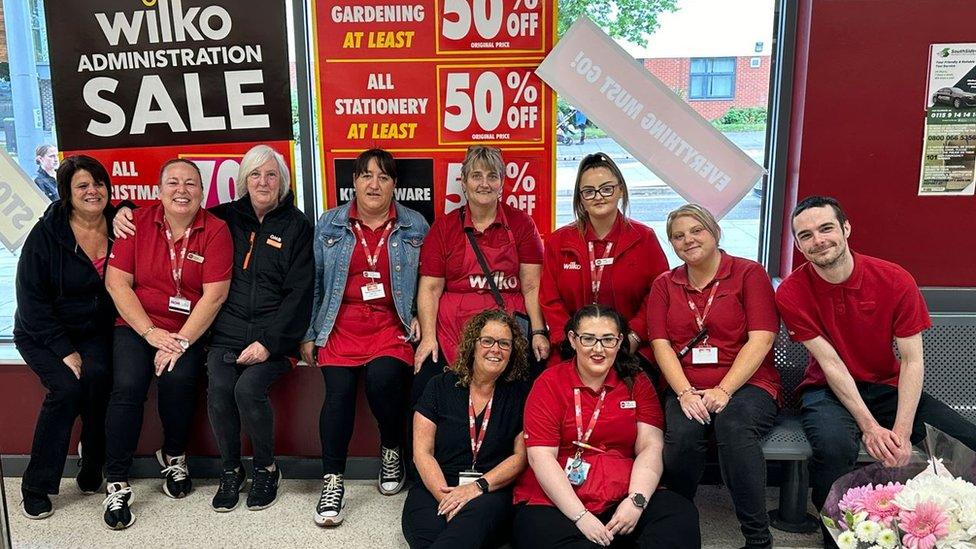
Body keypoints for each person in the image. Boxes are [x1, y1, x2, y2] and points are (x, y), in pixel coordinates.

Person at [112, 145, 313, 512]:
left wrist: (268, 343)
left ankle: (267, 468)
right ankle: (231, 470)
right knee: (220, 389)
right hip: (227, 335)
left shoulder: (298, 226)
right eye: (255, 174)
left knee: (248, 389)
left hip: (273, 340)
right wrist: (118, 212)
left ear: (283, 181)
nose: (263, 181)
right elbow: (178, 211)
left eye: (271, 175)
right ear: (243, 182)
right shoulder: (224, 219)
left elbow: (300, 294)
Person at [775, 195, 976, 547]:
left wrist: (899, 429)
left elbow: (912, 360)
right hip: (826, 389)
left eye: (825, 228)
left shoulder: (894, 279)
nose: (817, 240)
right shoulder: (792, 291)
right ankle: (835, 538)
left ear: (846, 228)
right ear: (797, 244)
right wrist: (869, 427)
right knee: (835, 447)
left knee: (966, 438)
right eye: (805, 235)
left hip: (886, 384)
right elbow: (831, 363)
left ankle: (960, 526)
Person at [301, 148, 429, 527]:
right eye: (366, 175)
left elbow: (428, 281)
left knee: (383, 379)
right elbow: (317, 285)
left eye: (384, 177)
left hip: (391, 325)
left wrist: (422, 316)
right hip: (340, 325)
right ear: (353, 181)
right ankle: (333, 479)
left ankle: (391, 448)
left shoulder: (415, 226)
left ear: (395, 185)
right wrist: (310, 334)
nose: (374, 184)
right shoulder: (329, 224)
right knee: (338, 393)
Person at [101, 159, 232, 529]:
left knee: (179, 381)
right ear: (159, 190)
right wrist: (149, 333)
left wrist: (177, 342)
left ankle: (174, 456)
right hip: (135, 326)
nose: (182, 190)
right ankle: (117, 481)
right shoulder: (135, 223)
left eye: (191, 183)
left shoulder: (216, 230)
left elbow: (215, 296)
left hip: (185, 330)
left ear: (201, 192)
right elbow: (117, 284)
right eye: (173, 182)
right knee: (127, 386)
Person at [648, 204, 781, 549]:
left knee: (733, 427)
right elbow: (660, 344)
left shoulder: (749, 273)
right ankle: (677, 521)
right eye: (678, 236)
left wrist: (725, 389)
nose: (688, 240)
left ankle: (758, 537)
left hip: (747, 384)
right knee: (681, 435)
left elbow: (762, 338)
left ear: (715, 232)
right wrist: (684, 393)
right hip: (686, 384)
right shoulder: (665, 284)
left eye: (696, 230)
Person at [512, 304, 700, 548]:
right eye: (588, 339)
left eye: (608, 340)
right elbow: (541, 457)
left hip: (621, 491)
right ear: (573, 339)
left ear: (620, 340)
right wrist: (580, 516)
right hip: (557, 498)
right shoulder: (548, 383)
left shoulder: (637, 381)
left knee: (680, 516)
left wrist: (636, 501)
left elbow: (650, 447)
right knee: (536, 532)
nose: (598, 349)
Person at [14, 156, 117, 519]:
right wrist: (63, 350)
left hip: (93, 332)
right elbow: (31, 302)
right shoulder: (46, 234)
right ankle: (36, 484)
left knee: (100, 379)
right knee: (67, 389)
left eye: (98, 183)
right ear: (67, 194)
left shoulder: (119, 223)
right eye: (82, 186)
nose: (93, 191)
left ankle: (92, 463)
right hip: (41, 332)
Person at [415, 145, 547, 402]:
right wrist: (429, 338)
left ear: (501, 183)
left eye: (492, 176)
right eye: (476, 176)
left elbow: (532, 286)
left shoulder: (521, 224)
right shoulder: (443, 228)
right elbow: (430, 289)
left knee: (528, 388)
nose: (484, 184)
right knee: (424, 385)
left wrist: (539, 333)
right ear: (463, 182)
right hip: (453, 330)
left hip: (508, 327)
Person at [402, 310, 530, 548]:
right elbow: (422, 452)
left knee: (462, 534)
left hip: (490, 490)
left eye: (504, 343)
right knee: (427, 536)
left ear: (513, 351)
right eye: (487, 341)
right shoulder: (439, 386)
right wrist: (448, 499)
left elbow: (521, 457)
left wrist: (476, 487)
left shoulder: (520, 394)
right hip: (436, 486)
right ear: (473, 344)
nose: (496, 349)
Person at [540, 153, 669, 370]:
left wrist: (633, 336)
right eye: (589, 192)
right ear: (580, 198)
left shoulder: (644, 238)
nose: (598, 197)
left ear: (620, 190)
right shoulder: (558, 241)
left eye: (606, 188)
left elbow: (659, 294)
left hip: (630, 350)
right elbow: (550, 299)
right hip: (572, 350)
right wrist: (573, 342)